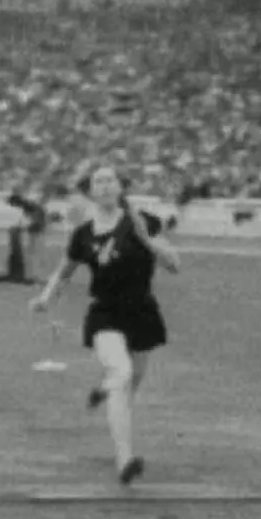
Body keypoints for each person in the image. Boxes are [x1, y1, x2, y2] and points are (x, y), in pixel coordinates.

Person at [29, 165, 180, 485]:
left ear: (120, 187)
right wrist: (45, 297)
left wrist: (146, 240)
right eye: (99, 182)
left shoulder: (143, 221)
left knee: (128, 389)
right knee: (121, 373)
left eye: (111, 180)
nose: (106, 186)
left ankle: (105, 391)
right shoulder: (83, 234)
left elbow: (174, 264)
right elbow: (64, 270)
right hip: (106, 314)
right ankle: (125, 460)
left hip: (142, 312)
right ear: (91, 191)